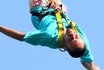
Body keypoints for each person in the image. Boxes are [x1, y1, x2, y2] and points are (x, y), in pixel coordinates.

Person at [0, 0, 100, 70]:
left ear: (65, 46)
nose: (72, 35)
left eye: (70, 39)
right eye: (76, 36)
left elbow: (21, 37)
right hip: (58, 8)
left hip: (40, 8)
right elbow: (88, 61)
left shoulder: (49, 37)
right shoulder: (83, 43)